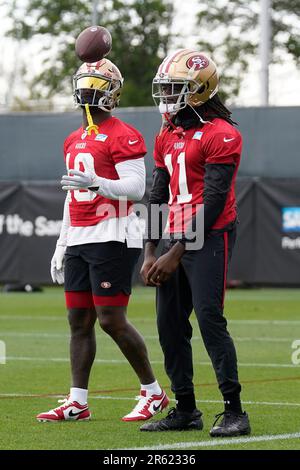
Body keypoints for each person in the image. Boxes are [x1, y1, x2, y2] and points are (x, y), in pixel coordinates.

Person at [36, 59, 168, 422]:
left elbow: (136, 188)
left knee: (110, 319)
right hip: (79, 235)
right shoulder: (73, 138)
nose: (90, 89)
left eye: (98, 82)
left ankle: (154, 393)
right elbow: (70, 195)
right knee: (78, 320)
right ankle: (77, 402)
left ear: (112, 92)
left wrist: (97, 183)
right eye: (86, 81)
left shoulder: (123, 134)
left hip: (113, 234)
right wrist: (62, 243)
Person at [140, 49, 251, 437]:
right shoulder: (167, 133)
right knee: (169, 325)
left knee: (209, 319)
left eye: (176, 88)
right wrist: (151, 250)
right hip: (173, 235)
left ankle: (235, 411)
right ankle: (185, 409)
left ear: (200, 90)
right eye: (166, 87)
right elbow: (157, 194)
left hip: (211, 234)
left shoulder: (223, 133)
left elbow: (215, 200)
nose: (167, 95)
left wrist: (175, 252)